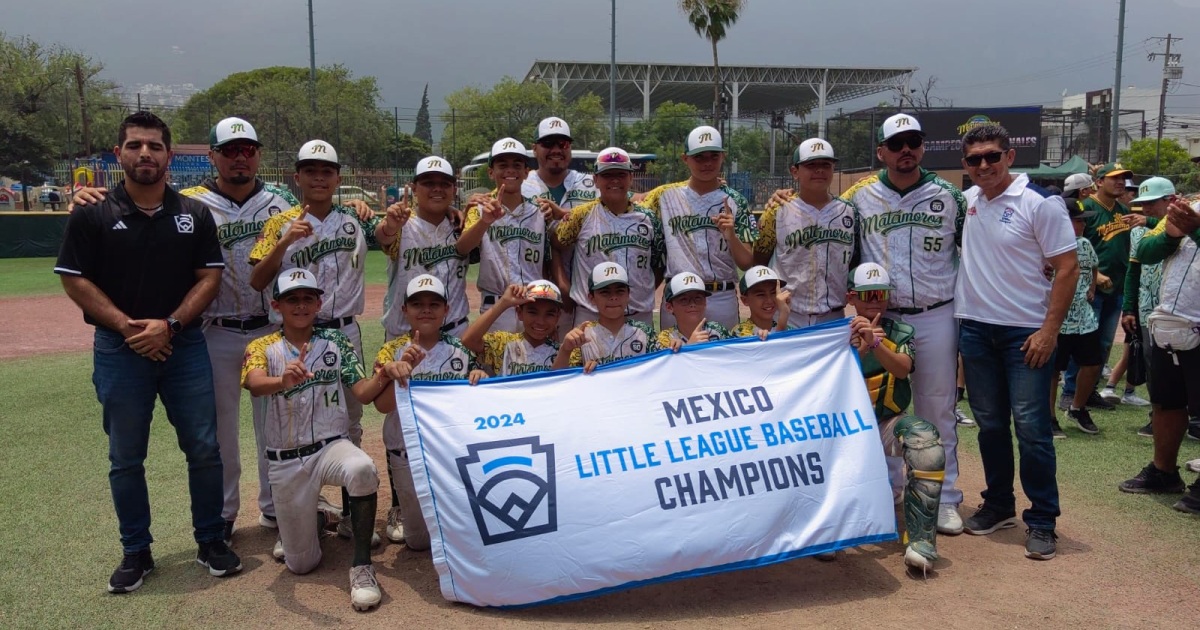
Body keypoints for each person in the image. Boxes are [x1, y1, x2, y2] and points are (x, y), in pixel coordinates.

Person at [71, 117, 375, 539]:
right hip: (215, 330)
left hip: (275, 328)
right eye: (229, 150)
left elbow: (326, 201)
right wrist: (85, 193)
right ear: (212, 155)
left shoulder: (282, 200)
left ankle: (278, 509)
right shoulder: (188, 202)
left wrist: (358, 205)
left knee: (283, 424)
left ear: (258, 156)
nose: (239, 158)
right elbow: (139, 197)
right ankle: (226, 515)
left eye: (247, 150)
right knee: (219, 433)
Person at [54, 111, 241, 593]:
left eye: (155, 146)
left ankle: (210, 540)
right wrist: (129, 327)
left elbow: (209, 278)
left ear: (169, 156)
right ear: (119, 154)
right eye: (135, 145)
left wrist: (171, 325)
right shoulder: (93, 213)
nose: (145, 154)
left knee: (203, 447)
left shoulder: (193, 213)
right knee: (125, 456)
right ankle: (136, 550)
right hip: (119, 349)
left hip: (184, 345)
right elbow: (75, 278)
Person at [834, 112, 970, 536]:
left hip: (935, 313)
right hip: (881, 316)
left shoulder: (949, 196)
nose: (905, 150)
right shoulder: (859, 197)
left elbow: (972, 252)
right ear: (881, 151)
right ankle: (894, 486)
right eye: (896, 144)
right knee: (883, 405)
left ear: (923, 147)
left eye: (913, 141)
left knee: (936, 406)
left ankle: (944, 497)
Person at [248, 139, 384, 546]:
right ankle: (291, 514)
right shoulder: (279, 222)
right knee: (288, 422)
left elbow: (400, 229)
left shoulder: (356, 217)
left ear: (338, 178)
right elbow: (256, 280)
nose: (319, 177)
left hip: (343, 330)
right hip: (295, 333)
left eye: (327, 171)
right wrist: (285, 241)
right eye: (311, 170)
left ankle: (347, 512)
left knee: (350, 422)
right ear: (298, 177)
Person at [955, 123, 1079, 561]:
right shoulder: (965, 202)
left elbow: (1067, 267)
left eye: (992, 156)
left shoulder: (1039, 203)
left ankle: (1043, 520)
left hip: (1024, 334)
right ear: (966, 165)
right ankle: (999, 504)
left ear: (1010, 156)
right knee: (989, 424)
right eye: (975, 159)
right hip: (975, 328)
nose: (984, 165)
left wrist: (1049, 331)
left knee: (1032, 429)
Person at [241, 269, 390, 611]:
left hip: (331, 446)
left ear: (319, 303)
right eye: (292, 299)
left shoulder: (336, 341)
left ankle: (363, 566)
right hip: (287, 460)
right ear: (276, 305)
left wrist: (386, 373)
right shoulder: (262, 346)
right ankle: (320, 517)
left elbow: (363, 393)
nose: (301, 305)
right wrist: (283, 379)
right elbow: (254, 382)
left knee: (362, 468)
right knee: (302, 564)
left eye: (308, 298)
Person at [374, 156, 470, 544]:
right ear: (413, 187)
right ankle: (399, 502)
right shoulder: (401, 223)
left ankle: (454, 497)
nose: (436, 188)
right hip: (404, 335)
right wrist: (388, 223)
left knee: (452, 418)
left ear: (453, 189)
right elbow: (382, 235)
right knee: (399, 419)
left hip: (454, 330)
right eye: (427, 181)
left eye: (443, 182)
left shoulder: (460, 225)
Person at [373, 274, 488, 551]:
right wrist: (400, 373)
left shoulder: (459, 351)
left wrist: (479, 377)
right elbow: (382, 406)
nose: (426, 310)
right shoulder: (392, 350)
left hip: (449, 453)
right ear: (404, 310)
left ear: (446, 310)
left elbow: (472, 405)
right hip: (406, 453)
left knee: (461, 530)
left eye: (434, 304)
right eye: (417, 304)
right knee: (418, 541)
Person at [844, 262, 946, 573]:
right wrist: (857, 350)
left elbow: (902, 368)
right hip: (845, 428)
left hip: (887, 421)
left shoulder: (901, 330)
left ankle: (920, 540)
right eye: (868, 294)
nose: (875, 300)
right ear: (851, 296)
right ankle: (834, 534)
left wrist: (876, 343)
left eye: (882, 294)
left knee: (925, 443)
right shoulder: (836, 331)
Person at [1117, 184, 1200, 515]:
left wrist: (1196, 229)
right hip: (1171, 322)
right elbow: (1148, 252)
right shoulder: (1190, 205)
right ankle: (1164, 472)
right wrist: (1172, 233)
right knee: (1167, 402)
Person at [640, 126, 757, 329]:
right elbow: (629, 199)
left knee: (723, 357)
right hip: (680, 295)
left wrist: (732, 237)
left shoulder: (735, 200)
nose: (707, 163)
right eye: (699, 157)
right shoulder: (665, 196)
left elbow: (747, 262)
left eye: (714, 156)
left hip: (721, 296)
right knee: (676, 356)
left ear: (723, 157)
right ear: (685, 159)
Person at [1061, 163, 1147, 410]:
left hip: (1117, 288)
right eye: (1114, 178)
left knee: (1104, 345)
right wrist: (1094, 276)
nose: (1120, 182)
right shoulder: (1086, 208)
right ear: (1099, 182)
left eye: (1123, 178)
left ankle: (1089, 392)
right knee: (1083, 343)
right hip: (1089, 291)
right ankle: (1070, 392)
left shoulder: (1122, 209)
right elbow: (1069, 245)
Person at [552, 149, 665, 327]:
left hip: (638, 313)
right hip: (590, 312)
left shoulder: (650, 219)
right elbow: (555, 244)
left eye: (621, 174)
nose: (614, 180)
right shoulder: (580, 215)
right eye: (607, 175)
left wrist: (643, 290)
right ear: (596, 180)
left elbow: (658, 264)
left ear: (630, 178)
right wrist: (563, 284)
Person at [754, 138, 857, 328]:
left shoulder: (850, 211)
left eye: (825, 165)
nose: (819, 170)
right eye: (811, 165)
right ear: (795, 172)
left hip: (833, 316)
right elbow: (759, 260)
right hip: (788, 315)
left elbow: (855, 260)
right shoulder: (777, 209)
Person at [457, 139, 553, 333]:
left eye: (517, 165)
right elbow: (462, 249)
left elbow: (546, 262)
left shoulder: (540, 212)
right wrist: (485, 221)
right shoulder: (480, 208)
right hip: (496, 304)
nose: (510, 170)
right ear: (491, 172)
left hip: (533, 304)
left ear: (526, 172)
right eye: (502, 165)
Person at [523, 117, 598, 336]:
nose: (556, 149)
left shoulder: (589, 184)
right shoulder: (522, 185)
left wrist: (564, 213)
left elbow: (624, 203)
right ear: (534, 148)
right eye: (548, 144)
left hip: (587, 295)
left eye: (562, 144)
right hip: (536, 298)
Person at [1113, 178, 1170, 433]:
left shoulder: (1187, 227)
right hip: (1148, 310)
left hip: (1181, 311)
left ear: (1170, 201)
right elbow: (1133, 272)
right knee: (1153, 367)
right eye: (1142, 204)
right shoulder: (1138, 231)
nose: (1145, 209)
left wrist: (1151, 223)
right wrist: (1128, 308)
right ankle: (1155, 417)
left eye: (1152, 203)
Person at [1050, 201, 1103, 437]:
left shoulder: (1084, 244)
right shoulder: (1048, 245)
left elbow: (1093, 266)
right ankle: (1048, 416)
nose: (1083, 223)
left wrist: (1092, 287)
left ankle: (1077, 408)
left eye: (1083, 219)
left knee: (1092, 365)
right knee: (1052, 370)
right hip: (1057, 320)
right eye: (1077, 219)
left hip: (1084, 319)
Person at [553, 261, 661, 372]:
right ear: (591, 298)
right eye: (605, 292)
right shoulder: (582, 335)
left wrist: (675, 349)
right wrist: (565, 351)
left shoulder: (645, 332)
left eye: (620, 291)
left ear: (628, 295)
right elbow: (558, 379)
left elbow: (660, 369)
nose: (613, 297)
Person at [461, 280, 564, 376]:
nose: (541, 321)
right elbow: (468, 340)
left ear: (557, 317)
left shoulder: (564, 352)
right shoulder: (502, 344)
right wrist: (504, 302)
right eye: (533, 312)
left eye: (549, 314)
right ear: (519, 313)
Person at [656, 271, 732, 351]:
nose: (692, 304)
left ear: (705, 302)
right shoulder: (666, 339)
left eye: (698, 298)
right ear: (669, 307)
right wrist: (689, 347)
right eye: (684, 299)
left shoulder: (718, 331)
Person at [732, 265, 792, 339]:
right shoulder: (739, 332)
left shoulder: (789, 329)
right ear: (745, 300)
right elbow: (778, 348)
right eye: (761, 295)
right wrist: (783, 315)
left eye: (773, 293)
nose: (769, 300)